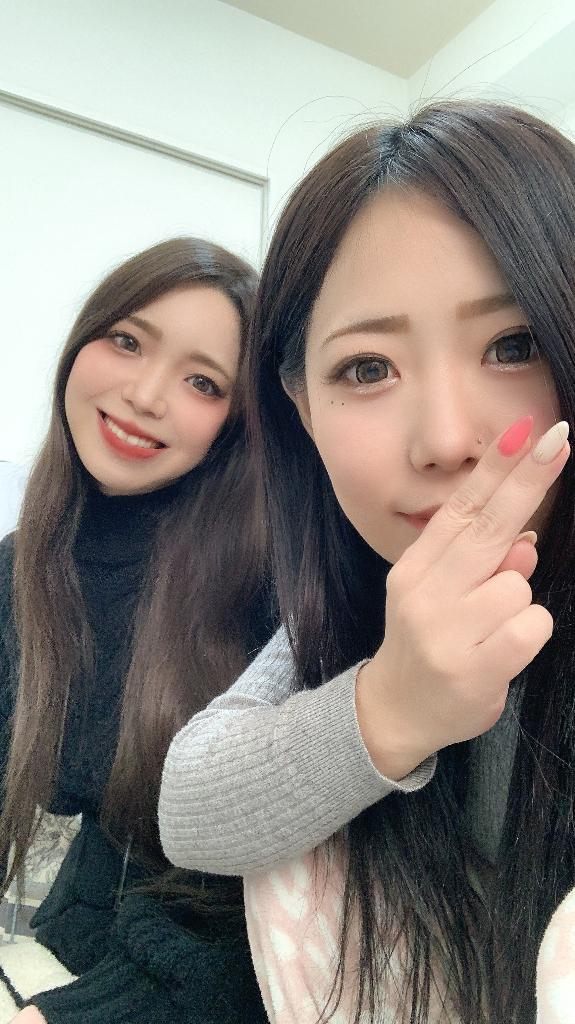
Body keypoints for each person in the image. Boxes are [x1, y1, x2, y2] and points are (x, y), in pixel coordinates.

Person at [158, 102, 575, 1024]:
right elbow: (190, 810)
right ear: (301, 408)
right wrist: (392, 706)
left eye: (512, 346)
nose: (445, 439)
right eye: (367, 368)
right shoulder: (353, 593)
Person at [0, 237, 274, 1024]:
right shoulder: (23, 566)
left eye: (201, 381)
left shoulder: (257, 591)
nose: (146, 395)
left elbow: (229, 904)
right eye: (126, 341)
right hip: (73, 949)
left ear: (235, 423)